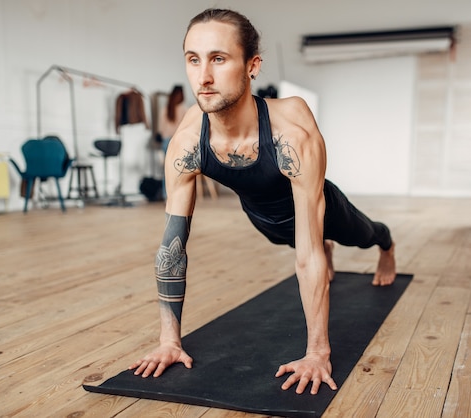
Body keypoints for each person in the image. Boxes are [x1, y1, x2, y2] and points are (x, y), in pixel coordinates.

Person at [129, 8, 396, 396]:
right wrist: (169, 340)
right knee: (290, 239)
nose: (203, 77)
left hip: (318, 205)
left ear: (252, 65)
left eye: (218, 59)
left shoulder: (292, 129)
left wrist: (317, 352)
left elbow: (306, 257)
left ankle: (387, 247)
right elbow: (171, 248)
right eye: (193, 59)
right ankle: (326, 245)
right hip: (263, 216)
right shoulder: (188, 141)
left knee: (361, 233)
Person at [158, 85, 187, 199]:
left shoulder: (165, 109)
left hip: (166, 142)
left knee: (167, 170)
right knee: (181, 170)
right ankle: (179, 196)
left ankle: (167, 196)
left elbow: (161, 129)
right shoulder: (184, 109)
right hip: (179, 141)